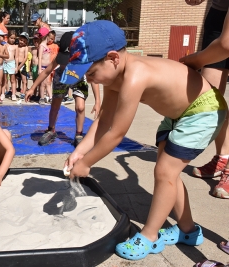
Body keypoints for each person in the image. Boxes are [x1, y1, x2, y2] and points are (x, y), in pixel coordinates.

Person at [61, 20, 227, 260]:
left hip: (203, 110)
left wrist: (88, 163)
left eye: (91, 73)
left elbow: (116, 132)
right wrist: (81, 151)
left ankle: (150, 236)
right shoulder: (114, 77)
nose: (90, 80)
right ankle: (188, 230)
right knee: (168, 173)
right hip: (179, 113)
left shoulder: (135, 76)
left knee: (164, 172)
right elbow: (104, 120)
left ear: (112, 58)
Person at [182, 0, 229, 199]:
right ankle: (223, 158)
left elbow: (226, 45)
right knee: (212, 102)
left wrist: (193, 61)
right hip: (219, 13)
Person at [25, 31, 100, 147]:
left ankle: (78, 135)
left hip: (78, 78)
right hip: (62, 77)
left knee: (80, 107)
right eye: (64, 60)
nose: (66, 62)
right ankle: (51, 130)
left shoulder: (84, 59)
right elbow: (46, 71)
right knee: (55, 105)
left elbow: (94, 79)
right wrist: (32, 88)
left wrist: (98, 101)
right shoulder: (59, 57)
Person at [37, 27, 52, 104]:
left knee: (48, 83)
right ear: (47, 35)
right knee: (42, 83)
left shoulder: (47, 46)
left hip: (48, 67)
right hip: (42, 67)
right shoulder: (42, 46)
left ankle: (50, 97)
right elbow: (39, 57)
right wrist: (39, 68)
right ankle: (42, 97)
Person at [2, 30, 19, 101]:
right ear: (8, 37)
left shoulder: (15, 47)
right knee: (4, 80)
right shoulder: (4, 45)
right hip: (5, 63)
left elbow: (16, 57)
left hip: (12, 63)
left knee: (13, 80)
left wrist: (17, 66)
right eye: (11, 38)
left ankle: (13, 94)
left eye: (14, 38)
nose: (12, 40)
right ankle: (2, 93)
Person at [17, 32, 29, 98]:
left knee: (24, 80)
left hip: (22, 64)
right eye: (21, 40)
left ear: (26, 42)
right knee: (15, 79)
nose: (22, 42)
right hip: (16, 64)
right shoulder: (17, 47)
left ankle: (23, 92)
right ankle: (14, 91)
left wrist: (19, 66)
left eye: (24, 41)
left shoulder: (25, 47)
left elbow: (25, 58)